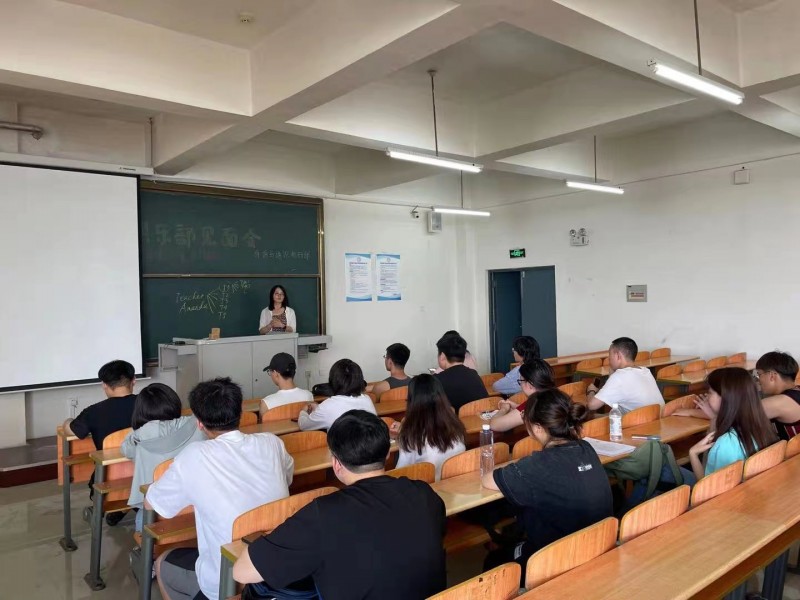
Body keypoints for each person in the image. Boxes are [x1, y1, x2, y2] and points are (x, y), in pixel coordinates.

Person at [233, 410, 447, 600]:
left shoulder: (323, 514)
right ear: (388, 454)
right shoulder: (424, 493)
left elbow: (241, 572)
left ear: (335, 464)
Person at [147, 377, 294, 600]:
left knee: (162, 563)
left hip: (227, 579)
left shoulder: (194, 456)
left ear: (199, 423)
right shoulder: (272, 442)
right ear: (240, 412)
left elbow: (153, 504)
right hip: (278, 568)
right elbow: (288, 477)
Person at [482, 389, 613, 580]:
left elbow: (488, 480)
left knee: (493, 561)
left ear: (537, 428)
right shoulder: (586, 448)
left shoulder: (538, 465)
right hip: (598, 545)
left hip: (554, 558)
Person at [120, 383, 206, 531]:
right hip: (196, 507)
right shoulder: (196, 426)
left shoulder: (137, 438)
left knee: (142, 523)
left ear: (140, 411)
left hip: (154, 513)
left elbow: (125, 450)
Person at [62, 359, 138, 524]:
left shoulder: (94, 412)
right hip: (147, 477)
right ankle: (127, 506)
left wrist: (67, 421)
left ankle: (117, 506)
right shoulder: (150, 406)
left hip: (108, 482)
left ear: (104, 385)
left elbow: (72, 430)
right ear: (133, 381)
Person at [688, 367, 777, 480]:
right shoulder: (762, 426)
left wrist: (693, 454)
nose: (707, 397)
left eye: (710, 393)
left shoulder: (725, 443)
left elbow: (709, 488)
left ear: (725, 398)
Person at [395, 375, 466, 480]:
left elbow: (400, 473)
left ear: (412, 401)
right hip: (454, 482)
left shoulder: (411, 436)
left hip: (426, 486)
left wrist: (402, 434)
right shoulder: (455, 426)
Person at [586, 337, 664, 414]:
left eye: (610, 355)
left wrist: (591, 391)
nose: (609, 358)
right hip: (657, 418)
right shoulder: (645, 371)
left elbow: (592, 405)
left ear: (618, 356)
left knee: (591, 418)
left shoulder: (619, 377)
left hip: (641, 420)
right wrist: (613, 374)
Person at [298, 359, 376, 430]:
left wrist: (303, 411)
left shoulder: (328, 406)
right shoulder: (367, 399)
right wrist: (319, 408)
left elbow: (304, 426)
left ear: (333, 381)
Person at [490, 359, 555, 433]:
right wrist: (517, 406)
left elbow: (494, 425)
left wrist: (504, 408)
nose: (520, 385)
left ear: (530, 384)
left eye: (521, 381)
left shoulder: (533, 405)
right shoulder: (557, 396)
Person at [434, 333, 488, 413]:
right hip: (479, 419)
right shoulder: (474, 374)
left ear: (442, 356)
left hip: (453, 421)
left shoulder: (436, 381)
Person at [755, 351, 800, 440]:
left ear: (772, 376)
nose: (758, 381)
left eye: (759, 375)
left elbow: (737, 417)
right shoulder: (796, 391)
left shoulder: (780, 402)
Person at [259, 352, 313, 417]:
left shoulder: (266, 404)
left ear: (276, 373)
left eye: (270, 371)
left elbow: (263, 423)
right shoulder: (308, 396)